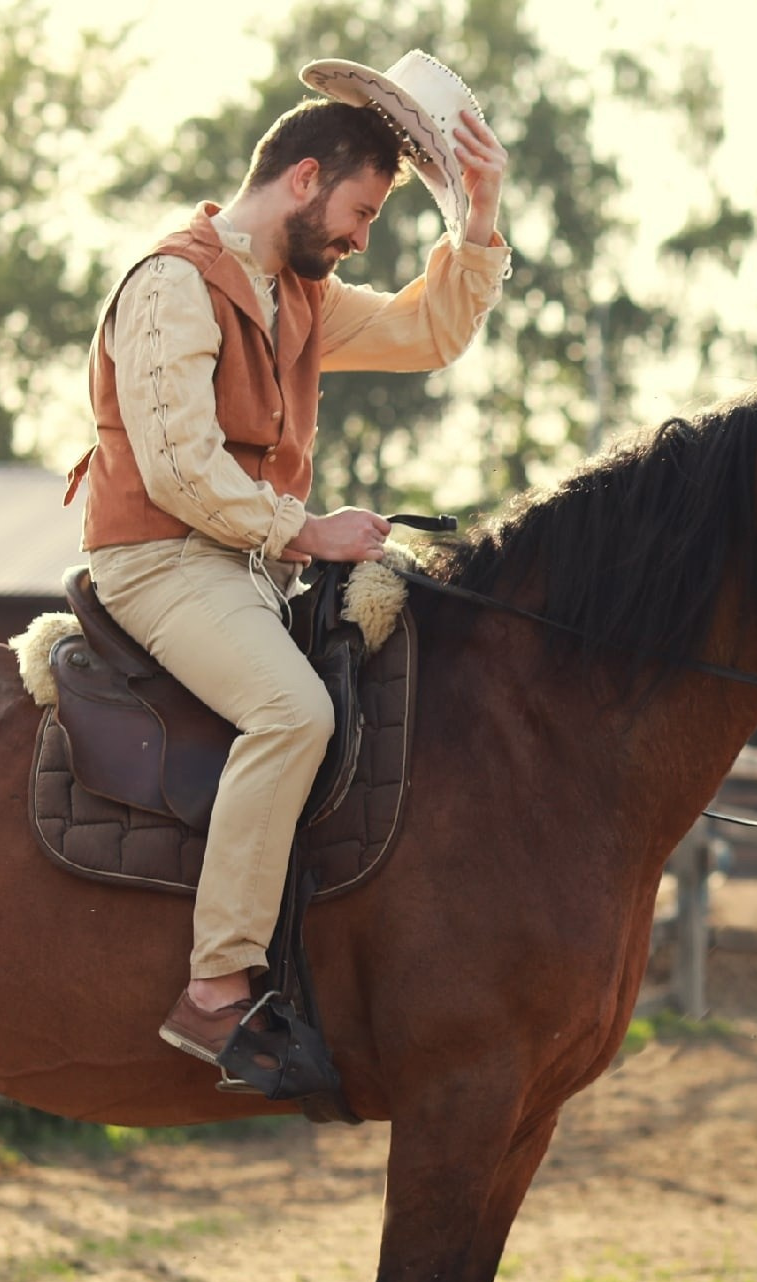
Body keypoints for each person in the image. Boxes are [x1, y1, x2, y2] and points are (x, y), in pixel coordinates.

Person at [67, 54, 510, 1089]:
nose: (361, 241)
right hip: (158, 559)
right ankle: (216, 989)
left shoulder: (298, 297)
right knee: (292, 714)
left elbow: (426, 332)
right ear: (304, 179)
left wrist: (476, 224)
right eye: (359, 214)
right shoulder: (172, 284)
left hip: (238, 564)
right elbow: (178, 469)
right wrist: (306, 533)